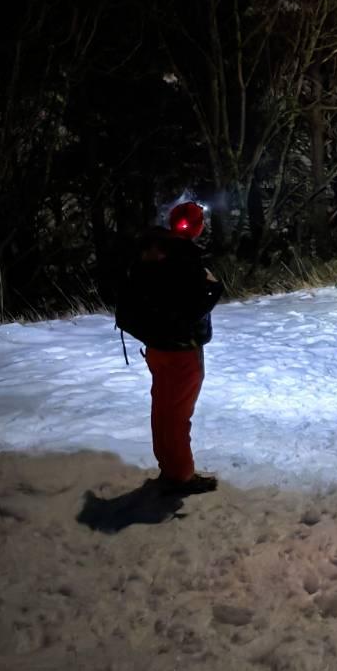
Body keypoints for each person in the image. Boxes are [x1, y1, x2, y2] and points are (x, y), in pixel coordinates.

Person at [115, 201, 225, 496]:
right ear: (198, 227)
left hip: (156, 348)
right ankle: (181, 477)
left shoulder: (152, 252)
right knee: (177, 415)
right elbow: (193, 308)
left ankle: (169, 468)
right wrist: (215, 289)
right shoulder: (185, 258)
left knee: (163, 410)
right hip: (183, 351)